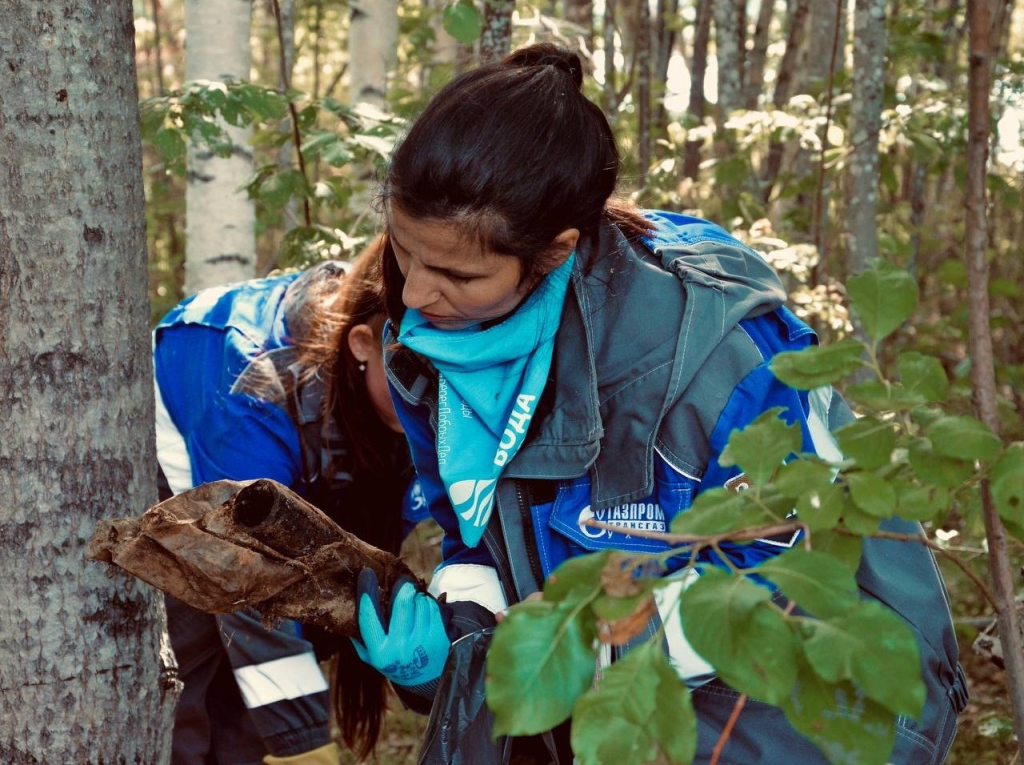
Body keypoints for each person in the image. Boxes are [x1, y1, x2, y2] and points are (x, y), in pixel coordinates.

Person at [346, 43, 969, 764]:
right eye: (402, 249)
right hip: (600, 681)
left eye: (456, 271)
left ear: (555, 252)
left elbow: (778, 596)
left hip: (804, 696)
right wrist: (459, 633)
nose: (417, 293)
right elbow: (473, 531)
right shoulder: (432, 346)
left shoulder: (717, 361)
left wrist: (555, 648)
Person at [153, 244, 428, 765]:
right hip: (180, 474)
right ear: (363, 343)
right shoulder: (252, 382)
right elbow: (247, 573)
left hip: (295, 469)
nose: (434, 405)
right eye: (419, 378)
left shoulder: (409, 400)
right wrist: (306, 745)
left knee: (258, 703)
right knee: (183, 678)